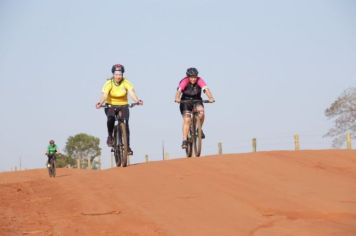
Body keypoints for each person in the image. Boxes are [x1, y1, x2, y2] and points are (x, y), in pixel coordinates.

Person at [96, 64, 143, 155]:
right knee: (111, 118)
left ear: (122, 75)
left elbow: (131, 93)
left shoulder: (126, 82)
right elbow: (105, 95)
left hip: (123, 105)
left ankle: (127, 146)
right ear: (113, 74)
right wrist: (100, 103)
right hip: (111, 105)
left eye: (120, 74)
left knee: (125, 123)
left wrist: (137, 100)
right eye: (116, 74)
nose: (118, 76)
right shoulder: (108, 83)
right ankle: (110, 136)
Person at [175, 67, 215, 149]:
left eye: (195, 77)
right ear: (188, 77)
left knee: (201, 112)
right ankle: (184, 140)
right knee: (187, 119)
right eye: (191, 77)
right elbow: (179, 91)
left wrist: (211, 97)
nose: (193, 79)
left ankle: (198, 129)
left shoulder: (200, 80)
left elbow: (206, 89)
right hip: (185, 101)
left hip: (197, 100)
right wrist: (177, 98)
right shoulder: (184, 81)